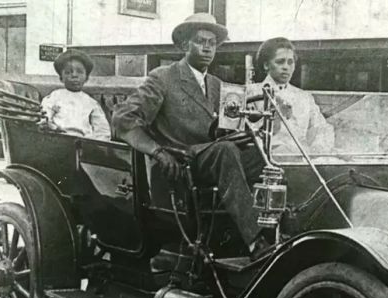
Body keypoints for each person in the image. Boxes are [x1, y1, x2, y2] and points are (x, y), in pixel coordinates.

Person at [112, 13, 271, 259]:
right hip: (183, 161)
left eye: (212, 43)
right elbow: (124, 119)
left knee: (263, 157)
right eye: (201, 41)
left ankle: (272, 229)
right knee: (226, 151)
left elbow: (217, 127)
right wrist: (158, 152)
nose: (208, 48)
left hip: (212, 158)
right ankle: (255, 241)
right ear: (185, 45)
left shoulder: (218, 85)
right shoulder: (163, 77)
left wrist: (237, 133)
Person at [249, 37, 334, 154]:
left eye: (290, 62)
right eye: (280, 62)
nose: (286, 67)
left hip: (303, 162)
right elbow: (249, 134)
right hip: (268, 161)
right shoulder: (252, 93)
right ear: (266, 65)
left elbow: (322, 128)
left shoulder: (304, 97)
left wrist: (316, 150)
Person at [40, 50, 111, 140]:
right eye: (68, 72)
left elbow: (102, 130)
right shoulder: (55, 96)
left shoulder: (91, 103)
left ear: (87, 78)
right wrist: (51, 126)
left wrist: (97, 145)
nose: (74, 75)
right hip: (58, 138)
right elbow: (45, 116)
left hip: (84, 143)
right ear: (61, 78)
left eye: (80, 72)